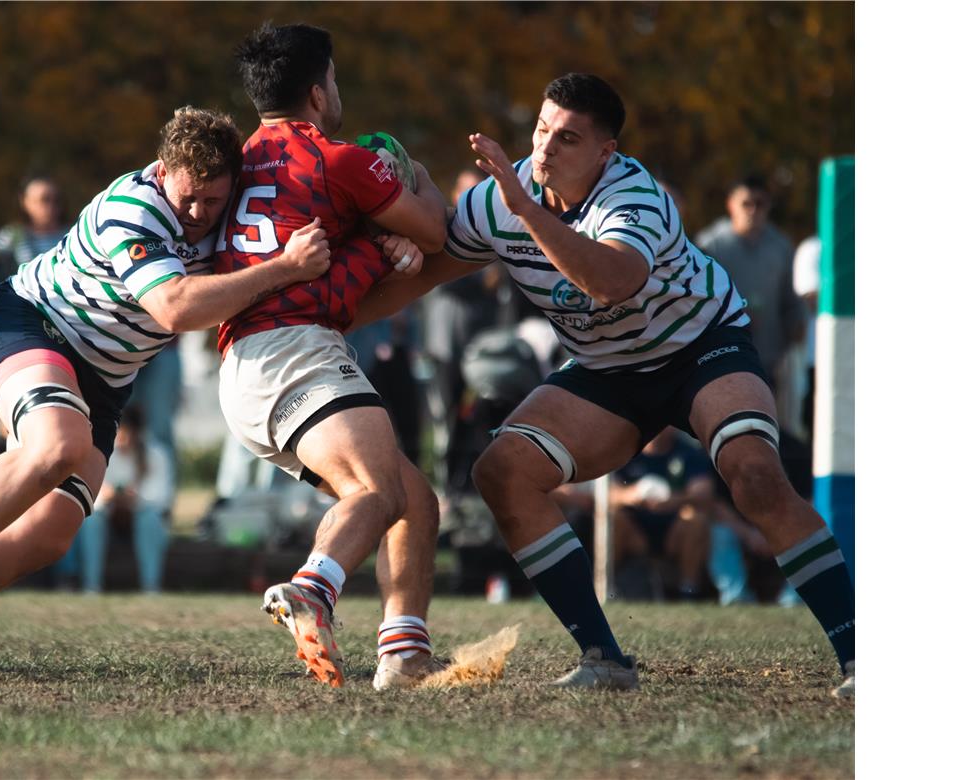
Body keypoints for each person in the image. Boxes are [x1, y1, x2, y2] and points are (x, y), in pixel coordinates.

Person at [360, 73, 854, 696]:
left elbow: (610, 280)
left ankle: (861, 653)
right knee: (502, 473)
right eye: (541, 129)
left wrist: (526, 210)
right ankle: (605, 659)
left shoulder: (633, 197)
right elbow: (423, 274)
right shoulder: (501, 199)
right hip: (609, 368)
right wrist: (322, 320)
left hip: (702, 347)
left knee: (754, 474)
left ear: (605, 152)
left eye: (567, 139)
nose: (544, 149)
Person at [0, 107, 333, 667]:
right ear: (163, 170)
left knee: (53, 532)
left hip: (106, 377)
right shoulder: (134, 207)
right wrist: (285, 268)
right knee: (55, 444)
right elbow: (172, 309)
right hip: (35, 324)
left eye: (211, 202)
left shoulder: (232, 206)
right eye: (188, 197)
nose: (197, 214)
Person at [216, 23, 450, 690]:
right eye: (337, 80)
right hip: (298, 350)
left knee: (415, 501)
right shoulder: (340, 159)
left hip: (241, 368)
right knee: (375, 492)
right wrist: (417, 183)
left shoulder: (233, 161)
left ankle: (404, 654)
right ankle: (312, 591)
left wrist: (375, 245)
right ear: (318, 92)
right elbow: (435, 229)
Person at [695, 175, 806, 391]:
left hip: (768, 359)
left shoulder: (781, 247)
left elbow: (790, 301)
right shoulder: (709, 246)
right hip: (719, 357)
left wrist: (796, 328)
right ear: (730, 204)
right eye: (746, 203)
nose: (753, 210)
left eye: (760, 203)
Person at [67, 407, 175, 593]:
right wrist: (107, 495)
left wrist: (134, 499)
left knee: (150, 520)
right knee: (91, 522)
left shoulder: (156, 455)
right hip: (107, 513)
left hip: (141, 514)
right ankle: (91, 585)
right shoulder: (102, 452)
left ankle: (151, 586)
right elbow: (91, 492)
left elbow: (160, 498)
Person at [609, 427, 716, 600]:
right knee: (615, 518)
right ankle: (606, 586)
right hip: (636, 531)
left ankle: (689, 591)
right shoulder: (624, 451)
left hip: (673, 531)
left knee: (696, 520)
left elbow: (704, 493)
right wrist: (634, 494)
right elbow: (605, 496)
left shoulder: (688, 452)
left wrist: (674, 500)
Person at [0, 176, 69, 309]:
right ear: (25, 202)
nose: (51, 206)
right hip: (21, 314)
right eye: (44, 200)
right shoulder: (11, 236)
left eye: (56, 200)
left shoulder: (72, 236)